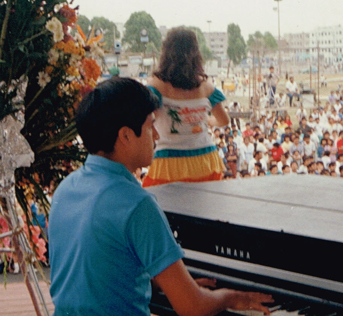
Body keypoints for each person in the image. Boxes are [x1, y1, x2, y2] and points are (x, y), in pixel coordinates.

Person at [49, 78, 273, 315]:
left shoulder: (65, 190)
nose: (156, 136)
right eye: (149, 126)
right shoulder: (136, 204)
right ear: (125, 136)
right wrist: (230, 296)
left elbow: (99, 274)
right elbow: (192, 307)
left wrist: (173, 283)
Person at [143, 28, 229, 187]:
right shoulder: (206, 87)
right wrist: (206, 121)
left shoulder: (157, 85)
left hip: (169, 160)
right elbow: (224, 120)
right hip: (206, 159)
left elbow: (145, 118)